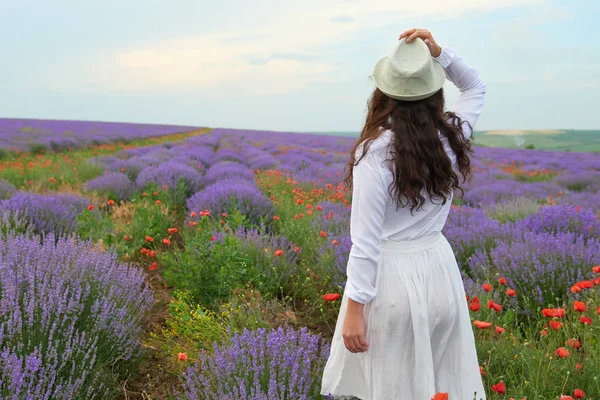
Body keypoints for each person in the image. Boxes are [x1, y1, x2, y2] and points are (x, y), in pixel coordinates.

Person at [320, 28, 488, 400]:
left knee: (391, 388)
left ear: (384, 94)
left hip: (390, 283)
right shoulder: (451, 135)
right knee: (436, 384)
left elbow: (364, 242)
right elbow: (476, 87)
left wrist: (353, 310)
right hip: (439, 271)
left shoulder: (375, 152)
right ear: (434, 93)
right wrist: (440, 52)